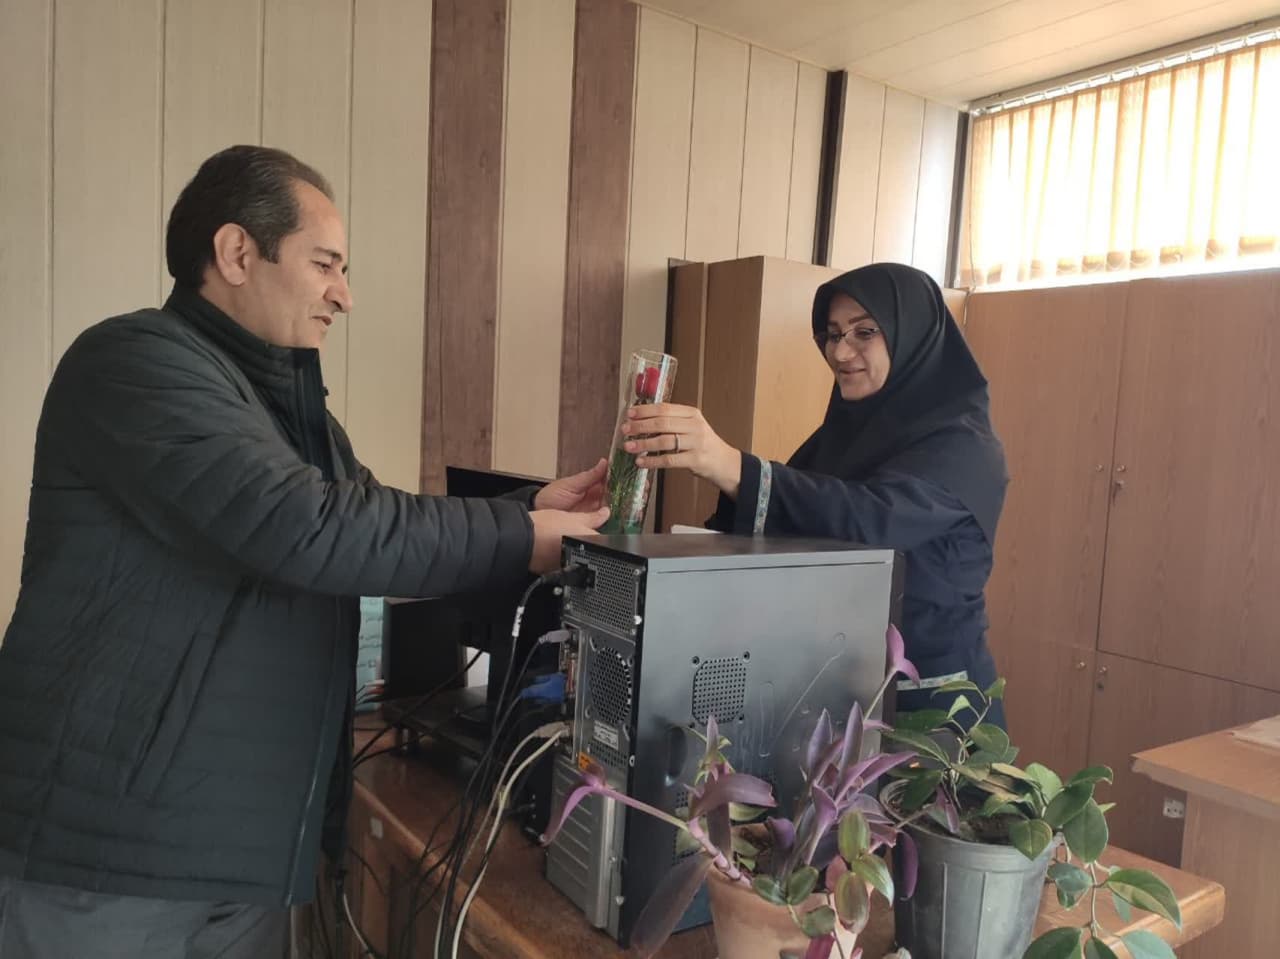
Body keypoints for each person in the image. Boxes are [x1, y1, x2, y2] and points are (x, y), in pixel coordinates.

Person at [0, 145, 608, 958]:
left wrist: (526, 510)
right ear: (236, 252)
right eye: (325, 264)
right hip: (109, 863)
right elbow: (311, 526)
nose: (344, 295)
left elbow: (373, 523)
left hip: (238, 856)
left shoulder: (284, 414)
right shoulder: (133, 362)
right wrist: (523, 538)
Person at [622, 262, 1009, 729]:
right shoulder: (842, 438)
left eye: (864, 332)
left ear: (913, 334)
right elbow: (792, 526)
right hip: (838, 686)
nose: (841, 351)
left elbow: (870, 522)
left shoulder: (964, 447)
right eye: (832, 334)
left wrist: (730, 465)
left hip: (932, 707)